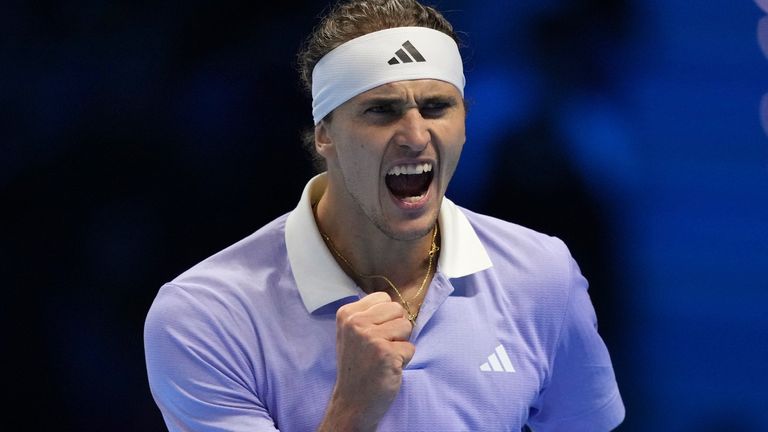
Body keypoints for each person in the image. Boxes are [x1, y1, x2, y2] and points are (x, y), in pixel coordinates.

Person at [144, 0, 625, 430]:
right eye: (381, 110)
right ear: (324, 134)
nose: (416, 135)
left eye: (437, 107)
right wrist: (352, 411)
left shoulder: (543, 272)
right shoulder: (204, 314)